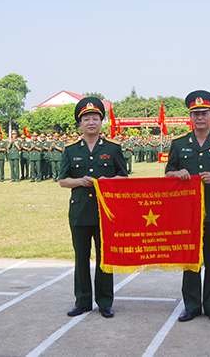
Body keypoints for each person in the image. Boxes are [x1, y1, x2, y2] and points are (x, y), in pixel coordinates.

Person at [165, 90, 210, 323]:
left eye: (204, 113)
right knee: (190, 258)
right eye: (195, 114)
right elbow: (168, 173)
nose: (199, 118)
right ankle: (192, 305)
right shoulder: (179, 143)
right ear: (190, 117)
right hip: (187, 210)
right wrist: (178, 173)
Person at [59, 97, 128, 319]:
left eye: (95, 118)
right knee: (81, 258)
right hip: (80, 211)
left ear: (101, 122)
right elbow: (63, 180)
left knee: (105, 258)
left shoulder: (112, 148)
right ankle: (82, 301)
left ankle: (105, 302)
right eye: (86, 119)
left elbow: (122, 176)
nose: (91, 122)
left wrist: (105, 181)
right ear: (80, 123)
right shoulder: (70, 150)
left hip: (105, 211)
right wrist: (82, 181)